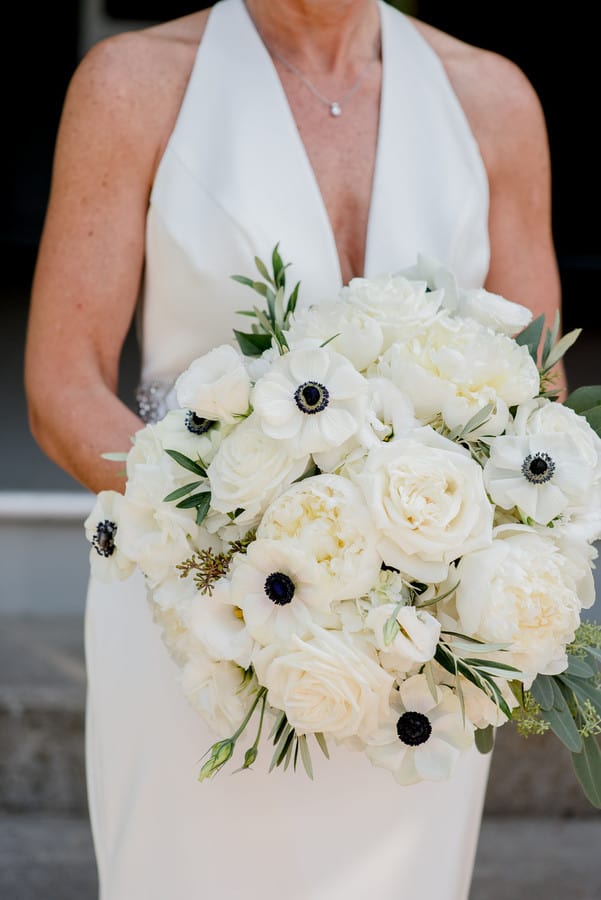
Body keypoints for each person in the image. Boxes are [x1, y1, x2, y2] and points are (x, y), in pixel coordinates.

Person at [24, 1, 562, 897]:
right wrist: (239, 551)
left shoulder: (492, 97)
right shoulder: (133, 84)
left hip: (421, 645)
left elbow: (534, 389)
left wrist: (436, 570)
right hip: (198, 621)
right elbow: (62, 385)